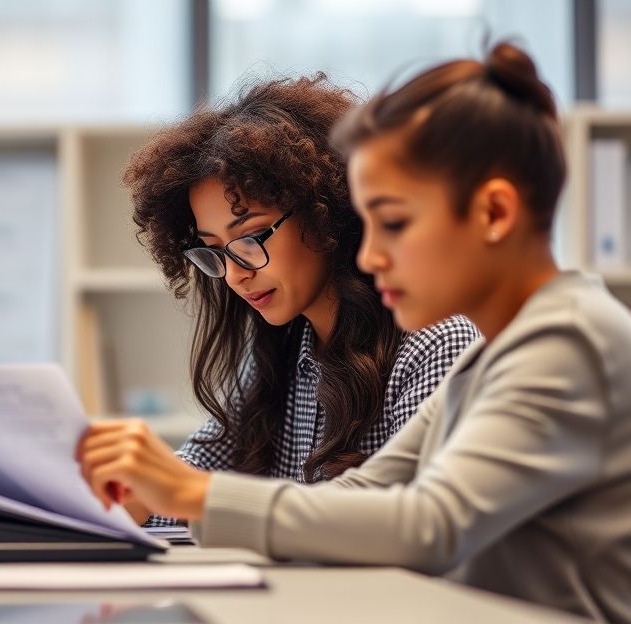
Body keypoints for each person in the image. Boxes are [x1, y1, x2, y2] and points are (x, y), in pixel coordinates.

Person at [77, 42, 631, 622]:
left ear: (494, 213)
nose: (368, 253)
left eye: (391, 223)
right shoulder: (498, 354)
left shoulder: (568, 340)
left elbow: (427, 524)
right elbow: (365, 496)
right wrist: (173, 491)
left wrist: (193, 493)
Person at [118, 75, 477, 526]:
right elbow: (187, 483)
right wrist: (134, 495)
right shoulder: (282, 349)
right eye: (213, 250)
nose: (234, 273)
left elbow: (415, 528)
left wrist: (182, 496)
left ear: (325, 210)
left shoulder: (433, 344)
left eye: (250, 238)